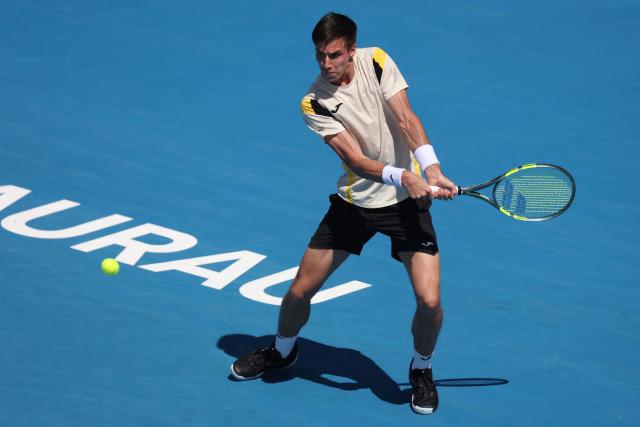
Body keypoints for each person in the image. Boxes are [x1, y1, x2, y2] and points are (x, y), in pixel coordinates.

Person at [231, 12, 457, 415]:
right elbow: (354, 159)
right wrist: (406, 175)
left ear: (352, 50)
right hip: (355, 205)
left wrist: (432, 167)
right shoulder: (314, 100)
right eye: (320, 56)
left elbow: (406, 118)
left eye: (334, 55)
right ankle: (283, 351)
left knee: (430, 301)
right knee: (300, 290)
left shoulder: (377, 61)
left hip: (406, 207)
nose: (326, 64)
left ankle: (421, 369)